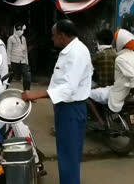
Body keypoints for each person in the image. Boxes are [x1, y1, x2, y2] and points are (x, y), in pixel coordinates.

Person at [22, 19, 93, 184]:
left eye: (54, 36)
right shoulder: (70, 50)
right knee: (66, 153)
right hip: (65, 108)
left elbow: (69, 88)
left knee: (69, 155)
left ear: (61, 36)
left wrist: (37, 94)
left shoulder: (77, 53)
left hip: (71, 109)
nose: (52, 39)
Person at [7, 22, 31, 90]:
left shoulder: (23, 38)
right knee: (9, 77)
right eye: (18, 30)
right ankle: (3, 90)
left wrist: (27, 61)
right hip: (14, 61)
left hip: (23, 61)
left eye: (21, 30)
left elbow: (25, 50)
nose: (20, 32)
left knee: (27, 76)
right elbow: (8, 51)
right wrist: (8, 62)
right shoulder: (11, 38)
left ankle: (27, 92)